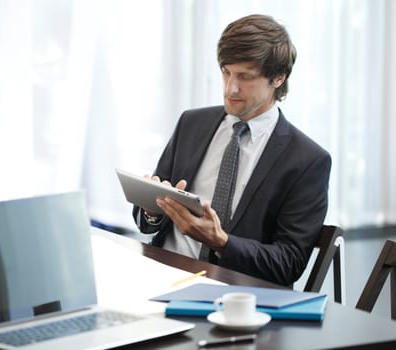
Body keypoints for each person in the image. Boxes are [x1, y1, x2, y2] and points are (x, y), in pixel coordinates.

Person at [133, 14, 331, 286]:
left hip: (236, 297)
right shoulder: (191, 123)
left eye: (245, 77)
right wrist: (152, 211)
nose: (230, 88)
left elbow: (289, 263)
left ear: (278, 78)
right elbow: (147, 223)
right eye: (226, 71)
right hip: (160, 277)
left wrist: (222, 242)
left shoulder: (308, 160)